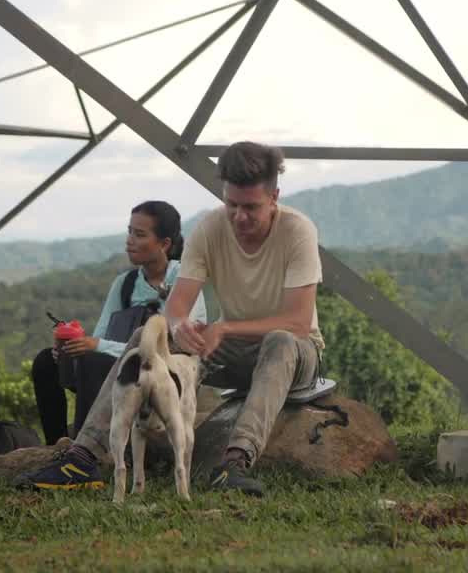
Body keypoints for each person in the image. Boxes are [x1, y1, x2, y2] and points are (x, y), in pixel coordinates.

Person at [23, 142, 323, 496]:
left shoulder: (297, 230)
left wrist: (224, 327)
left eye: (251, 208)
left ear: (274, 196)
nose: (240, 217)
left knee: (280, 339)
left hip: (295, 353)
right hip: (231, 349)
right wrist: (180, 329)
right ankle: (82, 456)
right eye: (232, 205)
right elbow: (177, 308)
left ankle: (234, 463)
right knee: (146, 336)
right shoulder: (211, 229)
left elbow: (298, 321)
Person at [29, 200, 206, 446]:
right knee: (46, 361)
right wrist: (70, 348)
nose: (129, 240)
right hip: (117, 366)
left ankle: (86, 451)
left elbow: (167, 342)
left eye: (140, 234)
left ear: (164, 244)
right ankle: (56, 444)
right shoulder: (125, 283)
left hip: (163, 372)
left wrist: (96, 346)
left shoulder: (184, 278)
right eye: (129, 232)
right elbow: (101, 336)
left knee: (93, 359)